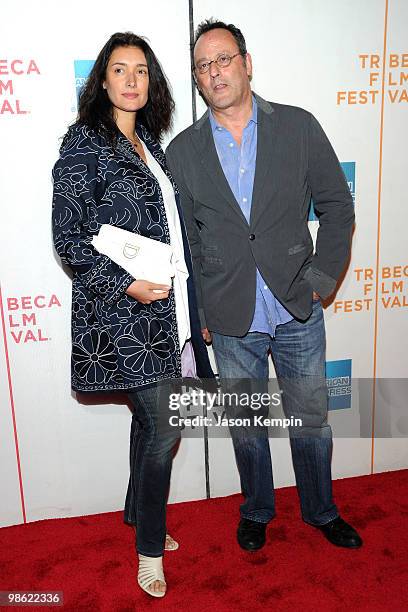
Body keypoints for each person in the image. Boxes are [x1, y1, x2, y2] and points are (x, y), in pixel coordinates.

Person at [166, 19, 362, 553]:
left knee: (311, 422)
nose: (215, 72)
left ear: (247, 63)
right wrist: (199, 313)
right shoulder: (182, 152)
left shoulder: (297, 127)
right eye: (203, 66)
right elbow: (188, 244)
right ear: (198, 80)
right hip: (230, 316)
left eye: (224, 59)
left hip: (297, 305)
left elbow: (337, 206)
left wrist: (323, 278)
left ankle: (321, 511)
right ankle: (257, 509)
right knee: (248, 428)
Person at [52, 32, 213, 598]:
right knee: (163, 424)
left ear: (152, 82)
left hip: (166, 316)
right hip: (123, 318)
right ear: (101, 80)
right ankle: (149, 547)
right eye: (119, 70)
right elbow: (69, 241)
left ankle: (135, 515)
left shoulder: (150, 142)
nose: (130, 80)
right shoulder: (83, 144)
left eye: (141, 70)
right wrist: (127, 285)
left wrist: (191, 307)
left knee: (151, 425)